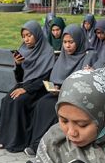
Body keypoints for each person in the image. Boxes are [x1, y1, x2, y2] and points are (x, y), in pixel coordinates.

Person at [0, 21, 55, 151]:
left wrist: (25, 89)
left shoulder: (47, 52)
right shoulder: (23, 50)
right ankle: (3, 138)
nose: (26, 39)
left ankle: (17, 141)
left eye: (29, 35)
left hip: (39, 88)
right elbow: (19, 78)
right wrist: (18, 65)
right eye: (24, 36)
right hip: (24, 84)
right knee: (7, 100)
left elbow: (46, 78)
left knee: (19, 101)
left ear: (37, 35)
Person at [27, 24, 92, 154]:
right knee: (42, 103)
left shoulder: (88, 56)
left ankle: (51, 147)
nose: (67, 46)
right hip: (59, 94)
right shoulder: (63, 57)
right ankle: (36, 144)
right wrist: (55, 87)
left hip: (76, 97)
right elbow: (57, 78)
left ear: (79, 41)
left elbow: (85, 81)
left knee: (55, 107)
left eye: (71, 42)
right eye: (65, 42)